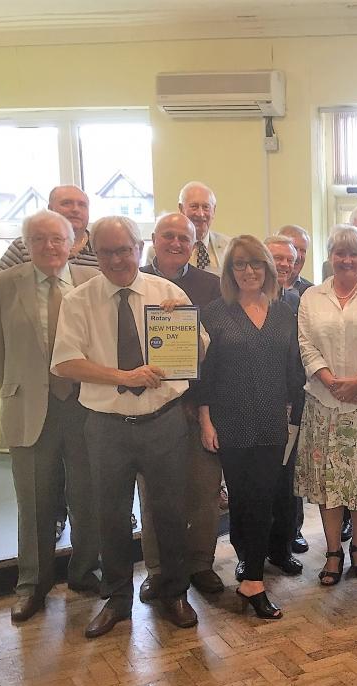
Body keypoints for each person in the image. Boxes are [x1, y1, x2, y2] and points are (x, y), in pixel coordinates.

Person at [51, 216, 200, 638]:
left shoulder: (167, 293)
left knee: (170, 513)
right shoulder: (79, 301)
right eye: (107, 251)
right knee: (110, 516)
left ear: (139, 248)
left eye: (124, 249)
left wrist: (181, 323)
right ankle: (116, 599)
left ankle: (173, 593)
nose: (117, 259)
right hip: (106, 426)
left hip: (163, 422)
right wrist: (124, 376)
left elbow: (198, 350)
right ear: (93, 253)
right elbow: (64, 363)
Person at [0, 209, 101, 623]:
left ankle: (85, 573)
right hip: (30, 409)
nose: (49, 247)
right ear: (25, 245)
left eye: (57, 239)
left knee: (87, 496)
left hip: (84, 407)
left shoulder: (92, 284)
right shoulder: (1, 286)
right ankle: (32, 584)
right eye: (39, 239)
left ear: (73, 244)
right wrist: (22, 388)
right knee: (34, 501)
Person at [197, 235, 306, 619]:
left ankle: (252, 576)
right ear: (229, 271)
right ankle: (251, 573)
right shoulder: (213, 314)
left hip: (273, 421)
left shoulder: (284, 313)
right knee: (244, 499)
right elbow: (203, 376)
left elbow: (295, 369)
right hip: (230, 420)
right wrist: (205, 419)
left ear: (269, 270)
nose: (249, 271)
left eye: (256, 264)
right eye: (240, 265)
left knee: (264, 497)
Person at [296, 224, 357, 586]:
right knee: (330, 484)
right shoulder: (311, 297)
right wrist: (327, 378)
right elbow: (305, 342)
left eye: (354, 253)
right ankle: (333, 552)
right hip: (323, 404)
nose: (347, 259)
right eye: (340, 253)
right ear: (330, 256)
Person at [138, 212, 224, 600]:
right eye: (168, 235)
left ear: (195, 244)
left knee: (205, 493)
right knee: (155, 496)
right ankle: (157, 569)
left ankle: (201, 564)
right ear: (154, 238)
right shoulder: (134, 280)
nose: (175, 243)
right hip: (149, 409)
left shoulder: (212, 285)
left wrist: (204, 407)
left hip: (199, 409)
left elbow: (218, 351)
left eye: (183, 238)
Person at [265, 235, 310, 557]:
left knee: (286, 477)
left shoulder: (296, 302)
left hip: (291, 403)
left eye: (289, 259)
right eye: (275, 257)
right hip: (252, 405)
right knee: (257, 483)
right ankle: (252, 552)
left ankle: (284, 544)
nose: (283, 264)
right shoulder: (241, 302)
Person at [0, 185, 97, 272]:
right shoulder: (23, 246)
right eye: (67, 203)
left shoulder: (102, 248)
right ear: (50, 209)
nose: (75, 209)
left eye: (82, 205)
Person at [275, 224, 315, 296]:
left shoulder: (311, 292)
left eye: (303, 251)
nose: (298, 256)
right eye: (294, 249)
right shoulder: (259, 287)